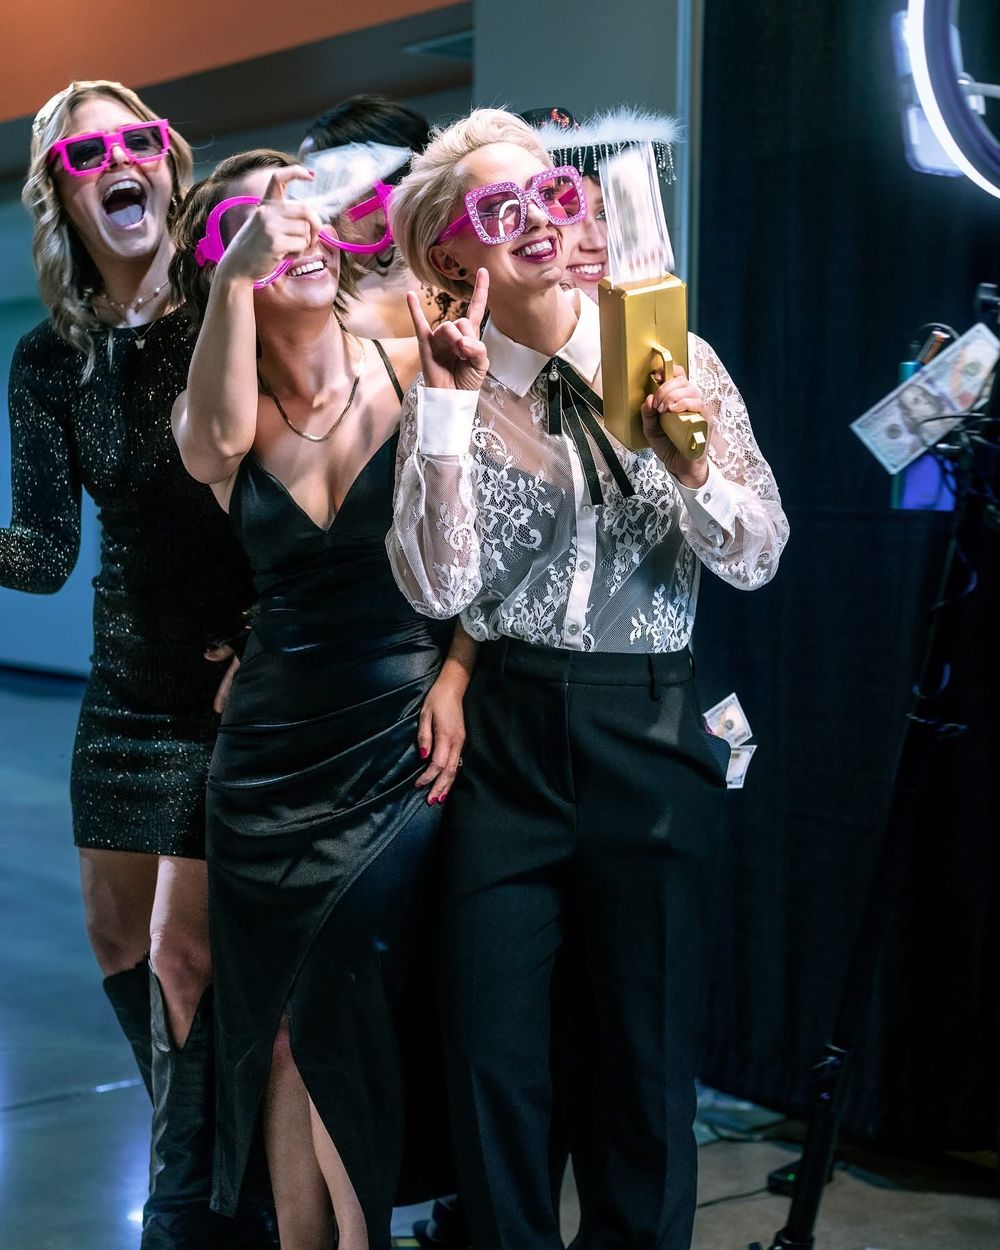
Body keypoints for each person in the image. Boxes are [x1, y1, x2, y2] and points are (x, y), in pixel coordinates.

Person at [387, 107, 789, 1250]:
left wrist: (694, 462)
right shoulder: (453, 385)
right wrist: (453, 409)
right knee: (493, 1058)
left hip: (650, 724)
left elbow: (759, 552)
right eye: (499, 207)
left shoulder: (667, 353)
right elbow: (433, 581)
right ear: (448, 252)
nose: (540, 222)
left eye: (552, 195)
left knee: (643, 1062)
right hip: (504, 738)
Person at [170, 148, 471, 1250]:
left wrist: (459, 670)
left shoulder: (407, 358)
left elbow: (488, 542)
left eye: (296, 214)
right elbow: (210, 442)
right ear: (221, 263)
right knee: (282, 1030)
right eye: (249, 225)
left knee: (349, 1003)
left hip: (400, 736)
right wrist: (224, 284)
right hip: (265, 764)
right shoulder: (219, 414)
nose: (283, 234)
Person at [2, 79, 272, 1249]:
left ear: (169, 165)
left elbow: (305, 484)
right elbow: (47, 550)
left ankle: (193, 1207)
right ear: (62, 193)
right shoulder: (46, 360)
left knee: (188, 953)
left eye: (138, 140)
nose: (117, 160)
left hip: (233, 682)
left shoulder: (228, 308)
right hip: (121, 691)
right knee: (122, 947)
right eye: (84, 152)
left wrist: (275, 634)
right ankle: (202, 1151)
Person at [299, 94, 466, 338]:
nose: (306, 205)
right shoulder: (470, 279)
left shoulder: (340, 320)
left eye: (324, 185)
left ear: (385, 202)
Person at [523, 104, 681, 302]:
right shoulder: (477, 334)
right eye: (567, 215)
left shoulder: (669, 333)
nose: (597, 242)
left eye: (604, 214)